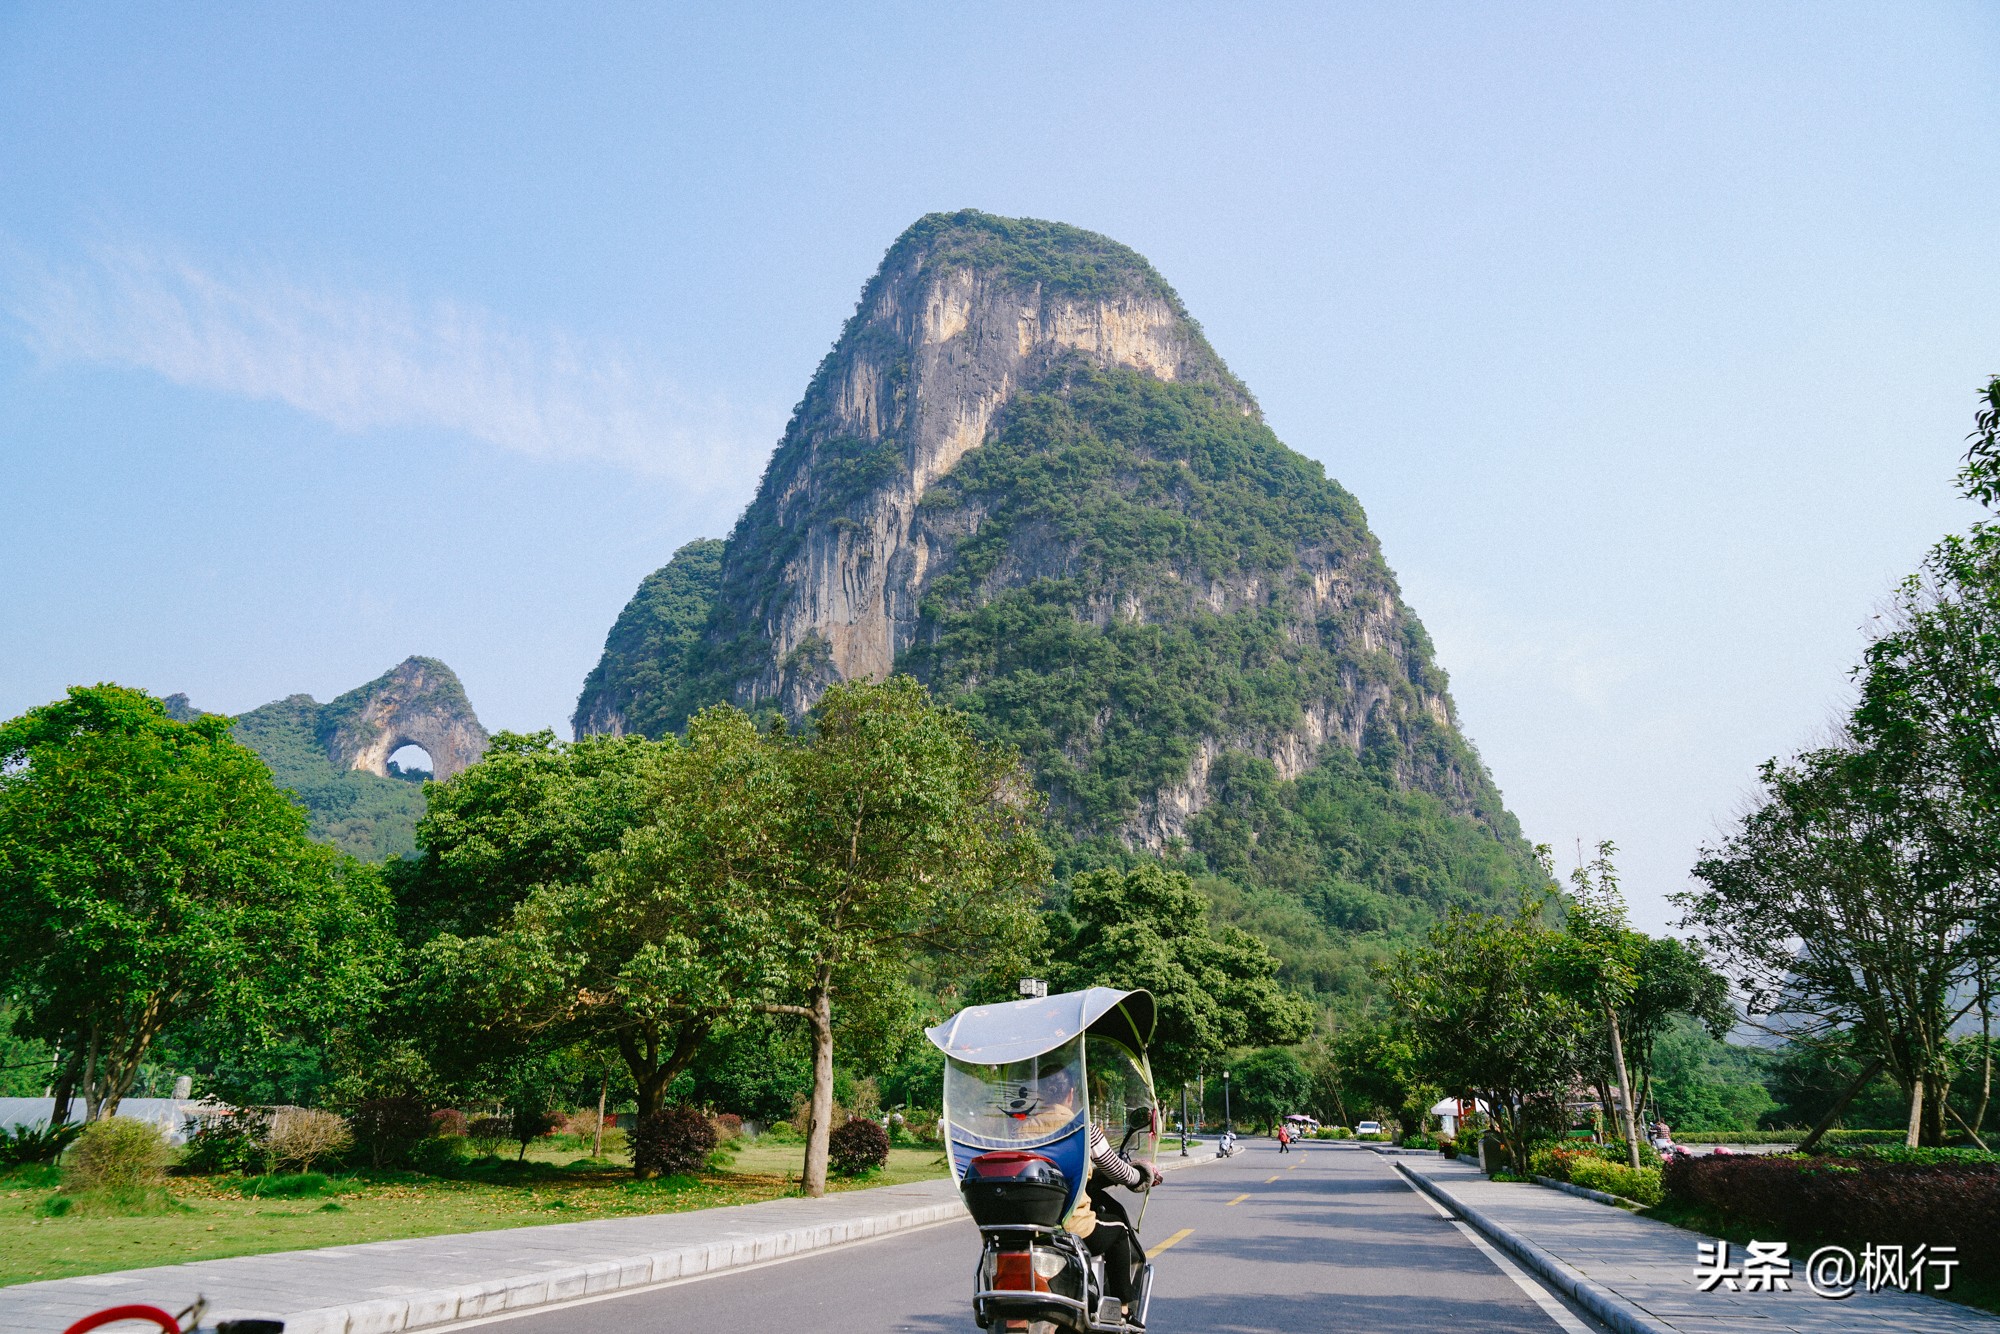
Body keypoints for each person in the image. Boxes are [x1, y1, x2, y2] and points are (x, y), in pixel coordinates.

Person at [1031, 1064, 1161, 1320]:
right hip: (1072, 1228)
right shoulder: (1082, 1129)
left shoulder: (1022, 1130)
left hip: (1033, 1227)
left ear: (1040, 1095)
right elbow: (1118, 1171)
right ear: (1070, 1094)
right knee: (1120, 1231)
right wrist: (1143, 1175)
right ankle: (1122, 1310)